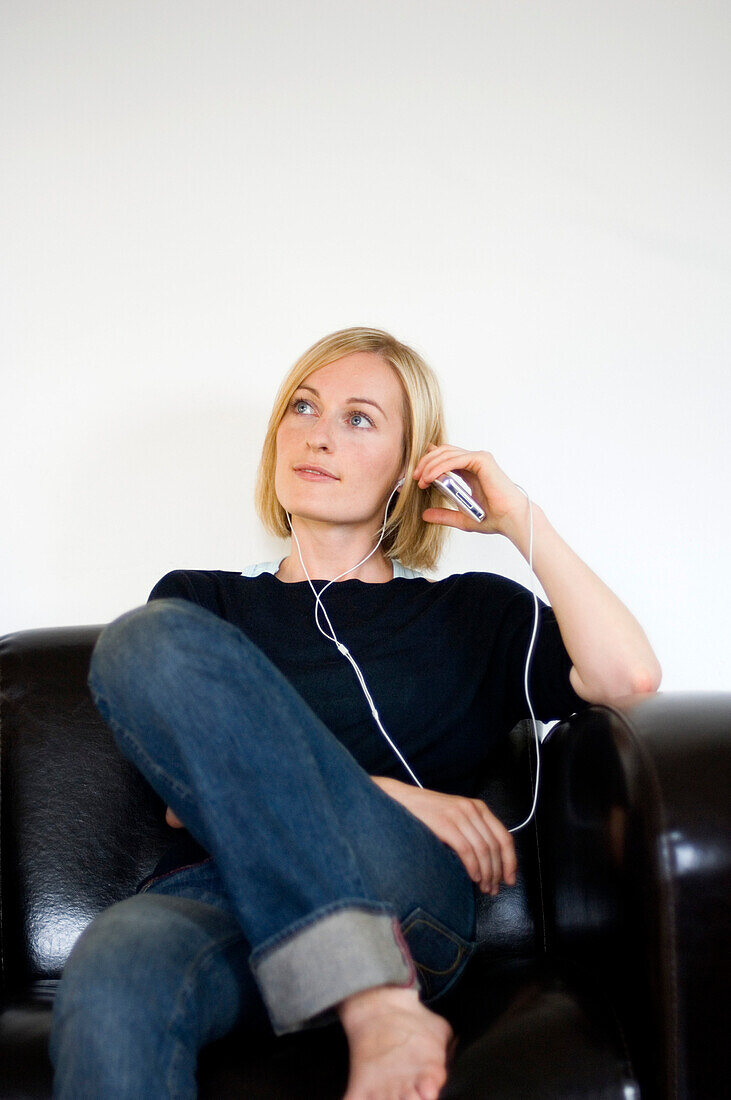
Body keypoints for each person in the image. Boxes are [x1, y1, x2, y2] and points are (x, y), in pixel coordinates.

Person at [49, 326, 662, 1100]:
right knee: (115, 963)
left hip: (400, 893)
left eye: (359, 418)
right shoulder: (202, 603)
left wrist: (518, 520)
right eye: (301, 408)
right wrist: (392, 795)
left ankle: (378, 990)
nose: (317, 435)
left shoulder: (470, 613)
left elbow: (628, 676)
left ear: (412, 470)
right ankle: (371, 999)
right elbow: (187, 798)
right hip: (223, 899)